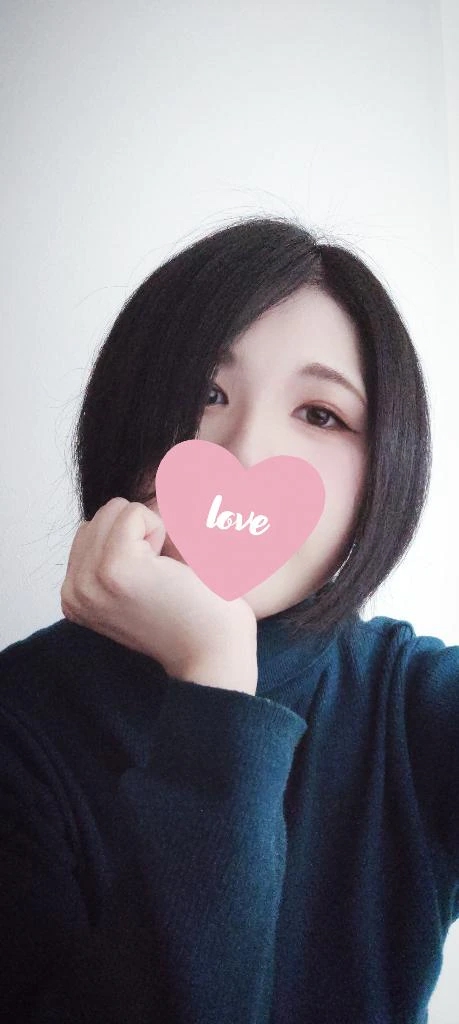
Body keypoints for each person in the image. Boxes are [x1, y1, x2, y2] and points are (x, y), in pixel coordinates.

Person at [0, 215, 457, 1024]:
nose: (244, 453)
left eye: (320, 414)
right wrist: (213, 679)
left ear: (385, 468)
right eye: (204, 395)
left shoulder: (416, 701)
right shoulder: (17, 724)